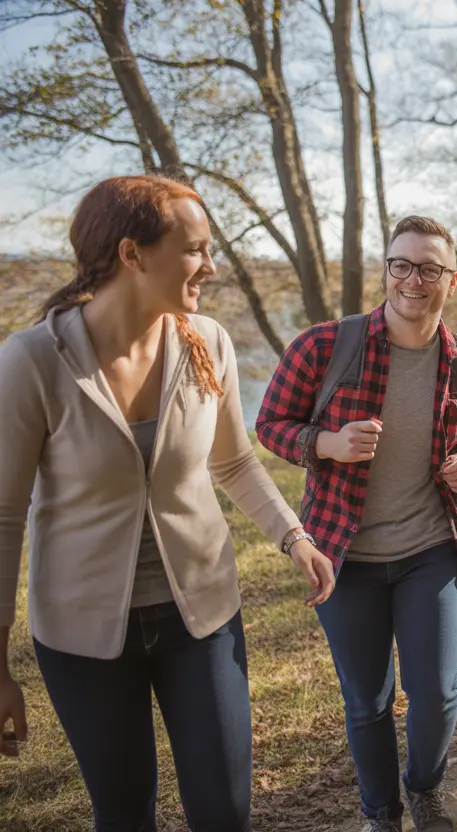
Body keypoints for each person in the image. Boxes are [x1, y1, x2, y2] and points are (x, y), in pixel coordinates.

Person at [0, 175, 335, 831]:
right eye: (195, 249)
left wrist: (295, 537)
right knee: (125, 817)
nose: (210, 265)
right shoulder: (33, 361)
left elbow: (234, 461)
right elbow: (4, 517)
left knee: (224, 812)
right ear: (133, 254)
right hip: (84, 635)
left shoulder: (205, 341)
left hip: (202, 617)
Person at [255, 216, 457, 832]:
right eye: (401, 265)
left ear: (452, 280)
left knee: (438, 695)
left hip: (430, 548)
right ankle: (379, 813)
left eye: (429, 268)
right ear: (386, 270)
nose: (414, 279)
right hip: (343, 552)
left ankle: (424, 789)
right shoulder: (326, 345)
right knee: (367, 702)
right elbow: (270, 423)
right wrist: (326, 443)